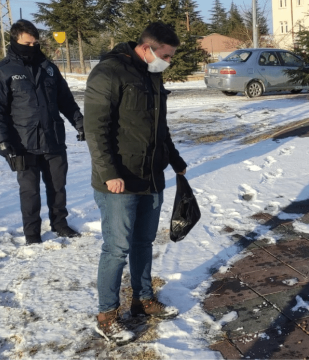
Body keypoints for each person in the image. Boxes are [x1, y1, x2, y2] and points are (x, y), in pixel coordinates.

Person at [84, 22, 187, 345]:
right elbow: (95, 129)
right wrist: (108, 172)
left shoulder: (152, 74)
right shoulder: (108, 73)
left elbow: (160, 127)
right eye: (166, 56)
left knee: (143, 243)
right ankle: (107, 315)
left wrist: (175, 160)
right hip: (118, 180)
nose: (168, 62)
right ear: (147, 48)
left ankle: (143, 301)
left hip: (151, 177)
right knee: (116, 249)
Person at [0, 20, 85, 245]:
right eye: (28, 43)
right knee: (30, 192)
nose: (33, 47)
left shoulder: (48, 67)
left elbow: (65, 99)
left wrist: (79, 122)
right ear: (15, 40)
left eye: (36, 43)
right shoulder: (5, 70)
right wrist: (3, 143)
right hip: (23, 144)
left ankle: (60, 224)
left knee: (57, 186)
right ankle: (32, 234)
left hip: (53, 139)